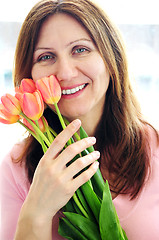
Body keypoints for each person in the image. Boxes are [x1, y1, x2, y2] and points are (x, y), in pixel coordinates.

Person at [0, 0, 159, 239]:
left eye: (80, 49)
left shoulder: (154, 149)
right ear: (28, 75)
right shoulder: (15, 170)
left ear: (110, 56)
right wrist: (37, 212)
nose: (65, 73)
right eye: (45, 56)